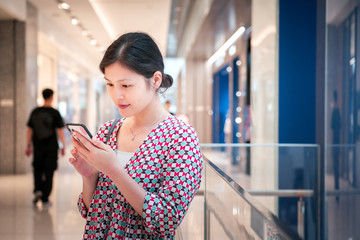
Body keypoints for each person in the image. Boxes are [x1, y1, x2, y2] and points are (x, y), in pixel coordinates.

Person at [69, 32, 203, 239]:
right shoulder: (107, 131)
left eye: (126, 85)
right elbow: (90, 211)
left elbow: (165, 221)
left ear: (156, 79)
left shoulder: (180, 137)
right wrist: (89, 177)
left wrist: (114, 170)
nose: (117, 95)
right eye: (110, 84)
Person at [26, 88, 66, 206]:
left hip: (38, 146)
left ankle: (38, 189)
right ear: (52, 97)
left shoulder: (35, 111)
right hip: (51, 147)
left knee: (37, 168)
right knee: (49, 171)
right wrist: (62, 145)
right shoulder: (55, 112)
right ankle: (45, 198)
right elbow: (60, 131)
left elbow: (29, 129)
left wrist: (28, 145)